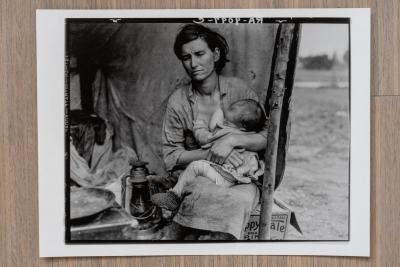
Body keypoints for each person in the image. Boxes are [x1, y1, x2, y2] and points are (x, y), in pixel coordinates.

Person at [161, 23, 268, 240]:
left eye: (200, 54)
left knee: (238, 202)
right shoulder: (179, 100)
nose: (193, 63)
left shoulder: (240, 91)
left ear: (216, 54)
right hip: (201, 176)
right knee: (200, 194)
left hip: (242, 178)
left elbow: (267, 138)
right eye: (186, 57)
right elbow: (171, 157)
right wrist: (214, 153)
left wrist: (232, 141)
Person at [153, 99, 266, 210]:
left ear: (241, 128)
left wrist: (199, 125)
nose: (222, 123)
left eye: (226, 122)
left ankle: (174, 196)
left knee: (194, 167)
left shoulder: (226, 133)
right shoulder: (250, 135)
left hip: (226, 177)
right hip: (241, 175)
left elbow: (204, 138)